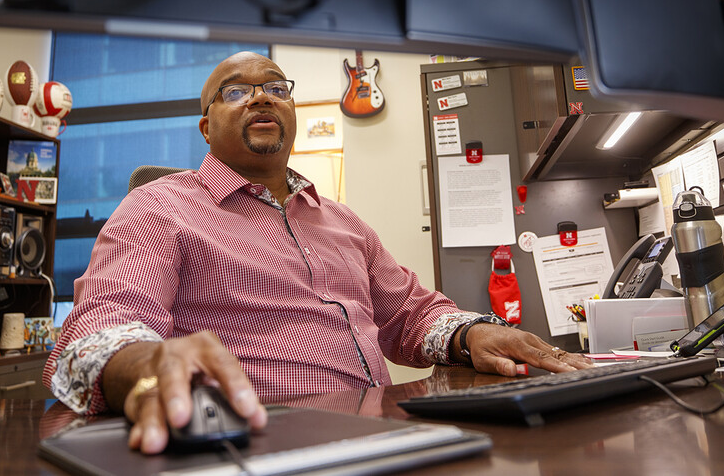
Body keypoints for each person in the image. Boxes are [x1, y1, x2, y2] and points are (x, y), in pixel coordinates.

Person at [43, 51, 593, 454]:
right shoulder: (160, 208)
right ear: (205, 128)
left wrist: (472, 332)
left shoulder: (342, 220)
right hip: (259, 447)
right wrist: (146, 369)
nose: (260, 96)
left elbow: (410, 315)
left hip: (383, 440)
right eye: (235, 91)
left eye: (276, 87)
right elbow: (102, 329)